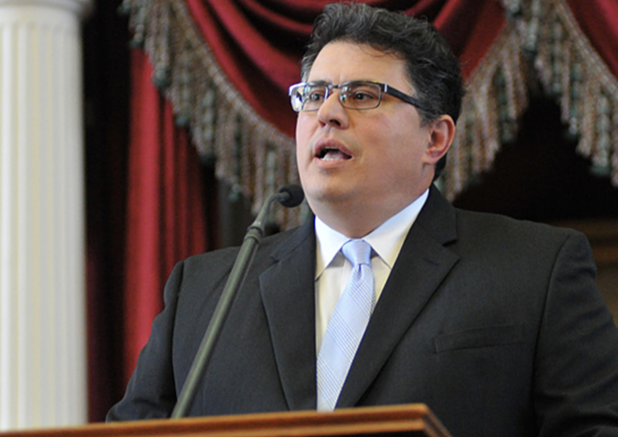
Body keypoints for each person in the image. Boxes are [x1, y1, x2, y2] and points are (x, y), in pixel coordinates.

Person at [108, 3, 618, 436]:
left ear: (435, 139)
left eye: (361, 95)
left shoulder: (535, 271)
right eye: (313, 95)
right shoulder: (204, 293)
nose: (327, 113)